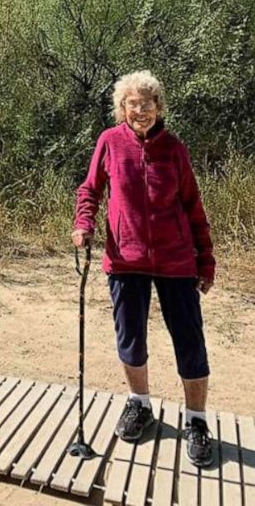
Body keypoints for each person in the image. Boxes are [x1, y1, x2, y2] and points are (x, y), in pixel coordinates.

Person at [72, 70, 215, 467]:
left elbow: (193, 207)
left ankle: (196, 421)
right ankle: (140, 405)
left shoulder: (174, 149)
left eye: (148, 103)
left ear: (158, 107)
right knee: (130, 338)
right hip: (125, 259)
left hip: (176, 261)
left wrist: (205, 259)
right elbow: (90, 190)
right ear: (123, 108)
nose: (141, 110)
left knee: (189, 341)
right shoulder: (109, 143)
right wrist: (84, 223)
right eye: (133, 104)